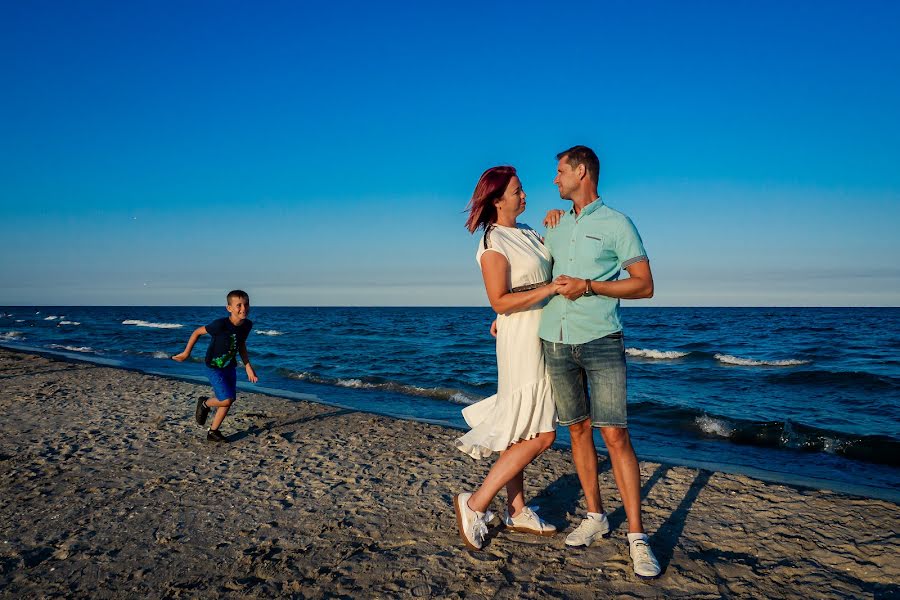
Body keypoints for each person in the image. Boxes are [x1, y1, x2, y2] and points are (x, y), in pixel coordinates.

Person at [539, 145, 662, 579]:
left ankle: (636, 536)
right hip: (554, 339)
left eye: (559, 172)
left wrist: (590, 285)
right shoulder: (554, 225)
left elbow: (644, 285)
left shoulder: (618, 223)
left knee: (615, 435)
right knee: (576, 430)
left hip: (601, 338)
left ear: (582, 171)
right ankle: (595, 516)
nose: (554, 180)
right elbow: (533, 277)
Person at [453, 166, 560, 550]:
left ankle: (517, 510)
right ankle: (476, 502)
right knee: (544, 434)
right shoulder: (492, 242)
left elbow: (548, 264)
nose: (525, 195)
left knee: (525, 427)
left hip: (539, 332)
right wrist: (544, 291)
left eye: (523, 189)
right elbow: (499, 299)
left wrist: (557, 224)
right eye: (517, 191)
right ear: (498, 200)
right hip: (522, 339)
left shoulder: (528, 232)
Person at [172, 289, 258, 442]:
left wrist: (248, 366)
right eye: (238, 305)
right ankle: (205, 403)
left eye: (246, 304)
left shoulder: (247, 325)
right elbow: (197, 332)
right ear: (229, 308)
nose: (243, 308)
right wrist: (186, 353)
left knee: (229, 399)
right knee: (226, 399)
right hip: (213, 367)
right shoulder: (220, 325)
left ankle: (213, 432)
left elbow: (241, 344)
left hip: (230, 366)